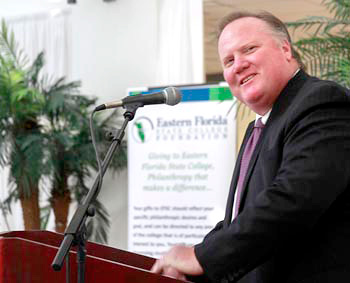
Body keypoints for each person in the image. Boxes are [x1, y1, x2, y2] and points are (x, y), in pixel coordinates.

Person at [151, 10, 350, 283]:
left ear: (285, 49)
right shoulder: (259, 127)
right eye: (229, 60)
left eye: (249, 49)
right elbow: (240, 219)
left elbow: (292, 200)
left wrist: (201, 257)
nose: (238, 65)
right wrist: (193, 267)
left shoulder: (321, 101)